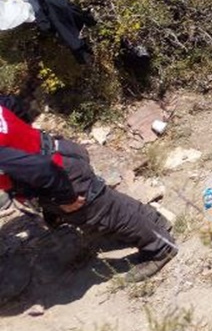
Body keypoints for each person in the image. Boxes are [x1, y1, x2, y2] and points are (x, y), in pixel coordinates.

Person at [1, 94, 177, 280]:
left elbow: (41, 169)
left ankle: (160, 248)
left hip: (58, 171)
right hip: (57, 148)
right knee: (105, 201)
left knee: (101, 214)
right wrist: (23, 138)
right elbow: (11, 103)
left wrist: (66, 198)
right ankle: (156, 221)